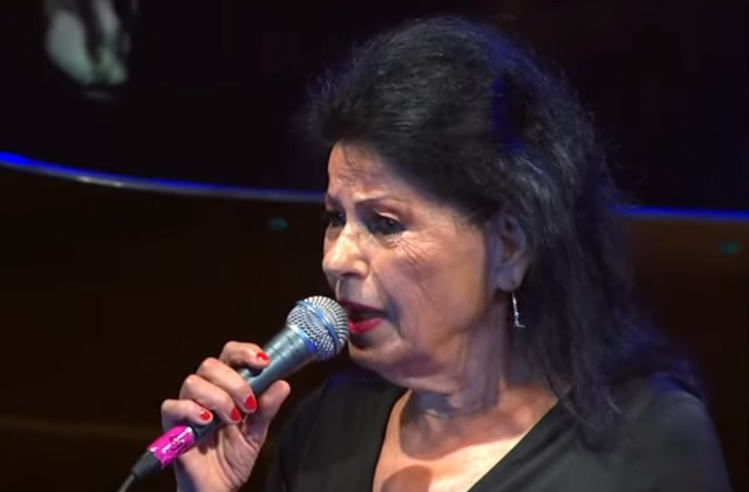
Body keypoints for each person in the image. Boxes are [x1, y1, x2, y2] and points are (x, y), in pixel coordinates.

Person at [159, 15, 733, 492]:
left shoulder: (648, 445)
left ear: (510, 246)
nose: (337, 259)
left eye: (385, 223)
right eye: (336, 218)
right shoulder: (326, 430)